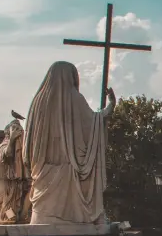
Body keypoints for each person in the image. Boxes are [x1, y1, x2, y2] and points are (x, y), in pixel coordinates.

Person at [23, 61, 116, 224]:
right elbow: (94, 122)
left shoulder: (37, 102)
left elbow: (28, 139)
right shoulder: (74, 98)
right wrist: (111, 105)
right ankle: (76, 217)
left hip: (43, 170)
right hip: (68, 169)